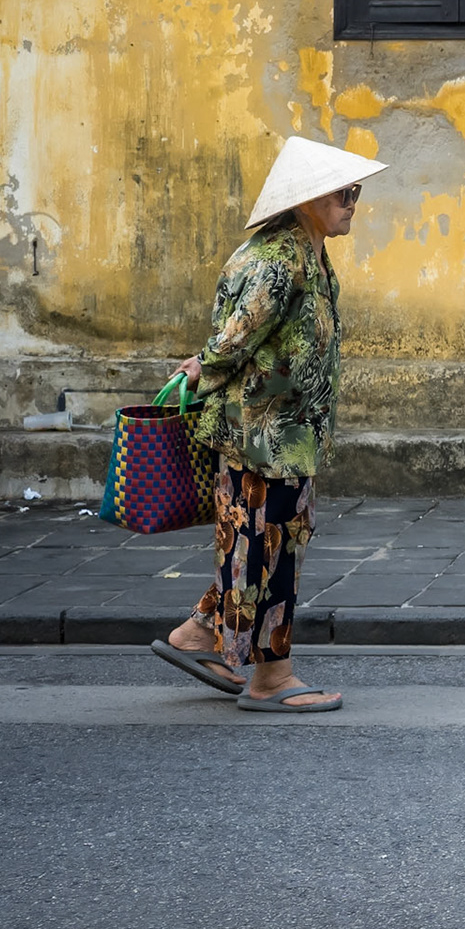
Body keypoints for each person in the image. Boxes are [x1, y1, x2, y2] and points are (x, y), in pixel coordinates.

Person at [148, 135, 387, 713]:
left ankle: (201, 635)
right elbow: (231, 342)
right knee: (268, 552)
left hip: (287, 437)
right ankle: (271, 679)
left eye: (356, 191)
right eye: (344, 192)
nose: (353, 201)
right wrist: (204, 364)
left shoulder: (307, 252)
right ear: (307, 199)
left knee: (261, 547)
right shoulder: (277, 262)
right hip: (262, 440)